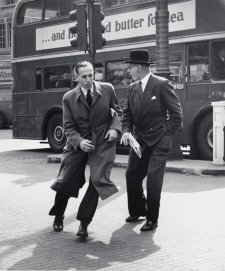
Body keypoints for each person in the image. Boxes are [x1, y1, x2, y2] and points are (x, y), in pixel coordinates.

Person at [49, 61, 122, 238]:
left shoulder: (107, 89)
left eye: (91, 75)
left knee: (97, 180)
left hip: (102, 141)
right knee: (66, 180)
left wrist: (114, 128)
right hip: (77, 143)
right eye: (84, 76)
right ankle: (59, 215)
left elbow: (117, 111)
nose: (89, 79)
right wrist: (79, 142)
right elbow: (67, 127)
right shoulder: (68, 98)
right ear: (76, 77)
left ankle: (84, 223)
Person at [120, 49, 182, 231]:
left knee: (154, 180)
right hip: (139, 140)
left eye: (130, 68)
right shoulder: (131, 88)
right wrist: (126, 131)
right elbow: (127, 114)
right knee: (131, 175)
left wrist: (167, 136)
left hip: (159, 141)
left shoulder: (161, 84)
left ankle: (152, 219)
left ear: (138, 68)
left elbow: (177, 114)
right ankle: (138, 210)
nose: (128, 72)